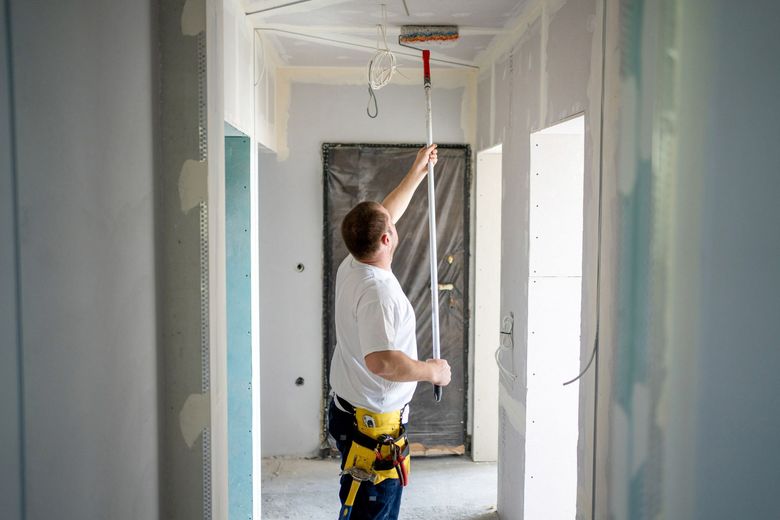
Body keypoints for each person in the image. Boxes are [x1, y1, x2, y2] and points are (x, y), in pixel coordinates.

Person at [328, 144, 452, 520]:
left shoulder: (354, 262)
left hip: (350, 410)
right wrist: (433, 371)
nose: (394, 225)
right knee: (373, 513)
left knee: (357, 507)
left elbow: (384, 216)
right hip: (373, 427)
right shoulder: (378, 294)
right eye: (390, 228)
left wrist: (417, 172)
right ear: (386, 240)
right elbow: (381, 361)